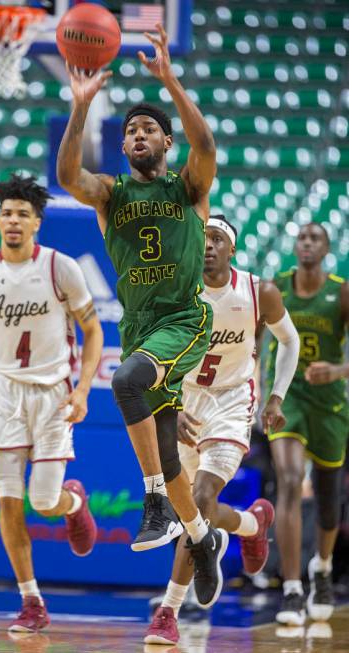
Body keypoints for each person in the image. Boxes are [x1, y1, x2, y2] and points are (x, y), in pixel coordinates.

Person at [57, 23, 227, 609]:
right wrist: (81, 110)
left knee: (125, 380)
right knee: (166, 447)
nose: (137, 134)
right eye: (130, 129)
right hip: (139, 327)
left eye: (149, 129)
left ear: (166, 144)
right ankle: (203, 541)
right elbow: (66, 179)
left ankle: (153, 501)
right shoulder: (110, 195)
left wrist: (171, 83)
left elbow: (206, 147)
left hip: (182, 321)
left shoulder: (188, 188)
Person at [0, 174, 103, 632]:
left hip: (53, 394)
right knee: (10, 503)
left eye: (22, 214)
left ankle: (73, 503)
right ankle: (30, 599)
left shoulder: (61, 268)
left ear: (37, 222)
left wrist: (81, 389)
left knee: (43, 499)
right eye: (6, 213)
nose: (12, 220)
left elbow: (93, 330)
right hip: (3, 396)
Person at [144, 216, 300, 645]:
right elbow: (151, 354)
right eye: (202, 238)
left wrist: (276, 397)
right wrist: (167, 406)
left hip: (232, 401)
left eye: (217, 239)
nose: (208, 245)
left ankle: (168, 611)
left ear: (231, 249)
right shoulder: (174, 291)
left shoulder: (257, 291)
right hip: (183, 401)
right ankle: (251, 523)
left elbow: (291, 341)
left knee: (200, 499)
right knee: (192, 515)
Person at [266, 222, 349, 626]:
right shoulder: (274, 287)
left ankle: (323, 568)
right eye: (301, 238)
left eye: (315, 238)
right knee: (289, 478)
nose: (307, 243)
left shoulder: (341, 291)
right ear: (294, 246)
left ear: (327, 249)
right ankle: (293, 588)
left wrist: (338, 370)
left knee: (329, 499)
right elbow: (249, 338)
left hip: (330, 405)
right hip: (288, 397)